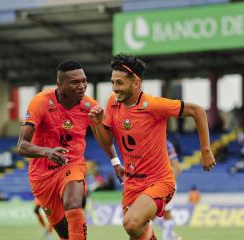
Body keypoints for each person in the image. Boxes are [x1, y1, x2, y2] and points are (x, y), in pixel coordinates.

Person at [89, 54, 216, 240]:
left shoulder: (154, 105)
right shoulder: (113, 103)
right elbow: (107, 143)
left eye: (120, 83)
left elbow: (197, 111)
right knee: (136, 232)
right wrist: (98, 124)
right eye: (113, 82)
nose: (115, 88)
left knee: (131, 223)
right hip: (132, 183)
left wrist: (205, 150)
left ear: (136, 83)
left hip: (159, 182)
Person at [17, 60, 121, 240]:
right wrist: (48, 152)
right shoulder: (40, 102)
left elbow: (104, 139)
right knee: (66, 235)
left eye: (84, 81)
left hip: (72, 165)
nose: (82, 86)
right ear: (60, 84)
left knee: (73, 203)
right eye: (75, 82)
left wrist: (115, 161)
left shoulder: (89, 105)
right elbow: (22, 146)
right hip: (42, 176)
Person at [154, 140, 182, 240]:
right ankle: (172, 235)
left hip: (166, 184)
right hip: (151, 185)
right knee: (149, 215)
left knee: (166, 213)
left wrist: (166, 184)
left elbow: (177, 167)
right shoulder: (146, 141)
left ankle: (168, 237)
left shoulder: (167, 145)